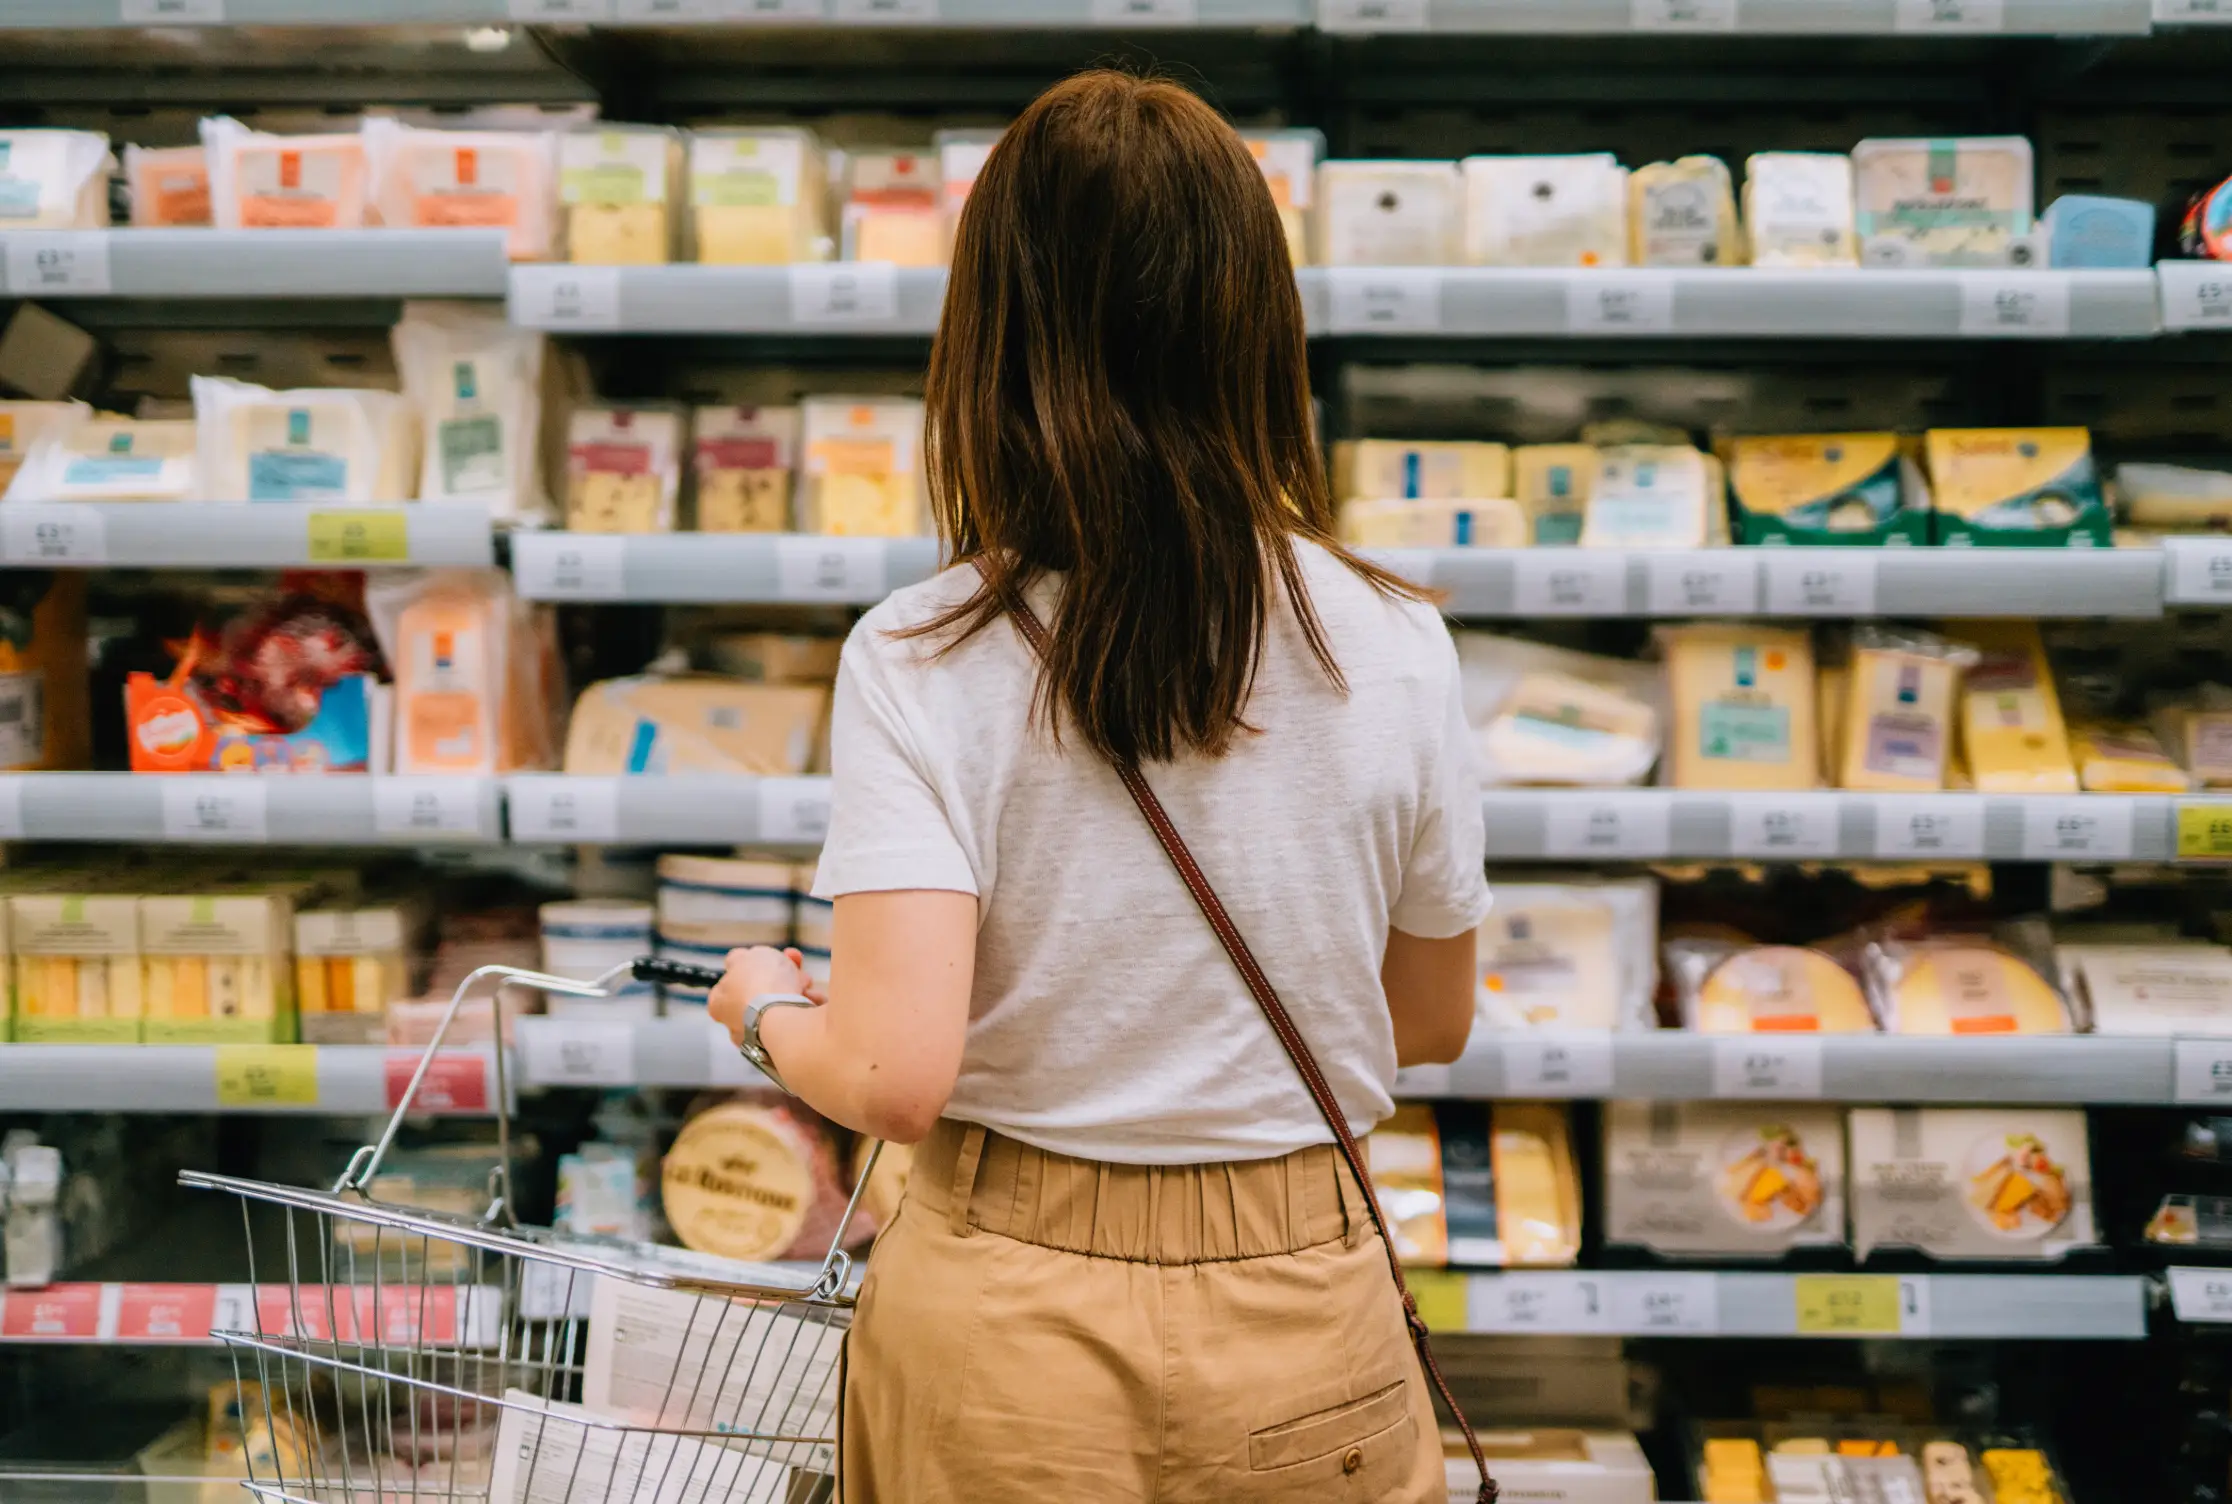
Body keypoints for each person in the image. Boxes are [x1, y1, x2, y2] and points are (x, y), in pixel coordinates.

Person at [708, 67, 1489, 1504]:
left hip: (1009, 1327)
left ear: (994, 332)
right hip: (1302, 1305)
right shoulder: (1396, 641)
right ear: (1257, 320)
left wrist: (761, 1001)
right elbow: (1429, 1021)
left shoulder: (923, 652)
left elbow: (890, 1072)